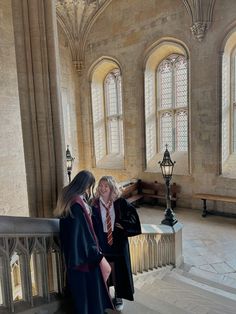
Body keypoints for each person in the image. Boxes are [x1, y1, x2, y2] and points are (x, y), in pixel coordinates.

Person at [54, 170, 114, 314]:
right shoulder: (76, 204)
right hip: (84, 258)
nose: (90, 190)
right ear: (85, 185)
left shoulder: (68, 199)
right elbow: (82, 235)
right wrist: (96, 254)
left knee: (83, 293)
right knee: (88, 293)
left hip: (75, 255)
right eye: (90, 186)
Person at [92, 176, 142, 312]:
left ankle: (118, 296)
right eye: (101, 186)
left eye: (106, 186)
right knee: (103, 269)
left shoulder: (120, 203)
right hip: (102, 241)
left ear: (112, 188)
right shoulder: (95, 204)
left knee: (118, 270)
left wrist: (123, 225)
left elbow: (133, 218)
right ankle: (105, 296)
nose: (102, 188)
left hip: (117, 242)